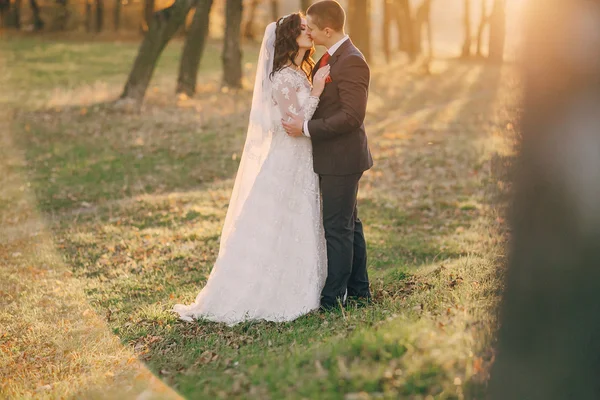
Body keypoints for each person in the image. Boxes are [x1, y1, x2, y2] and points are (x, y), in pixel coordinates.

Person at [172, 13, 332, 325]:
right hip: (289, 157)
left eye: (308, 27)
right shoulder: (283, 77)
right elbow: (291, 123)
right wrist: (317, 91)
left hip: (306, 157)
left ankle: (309, 281)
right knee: (282, 219)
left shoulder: (302, 70)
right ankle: (273, 291)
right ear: (288, 37)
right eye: (302, 29)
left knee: (304, 216)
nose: (308, 32)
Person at [282, 0, 373, 309]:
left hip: (342, 158)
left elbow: (352, 116)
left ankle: (333, 298)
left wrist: (307, 128)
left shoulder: (351, 61)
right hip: (333, 156)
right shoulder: (328, 57)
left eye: (310, 27)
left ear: (328, 30)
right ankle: (360, 291)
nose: (306, 30)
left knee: (337, 228)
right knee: (349, 224)